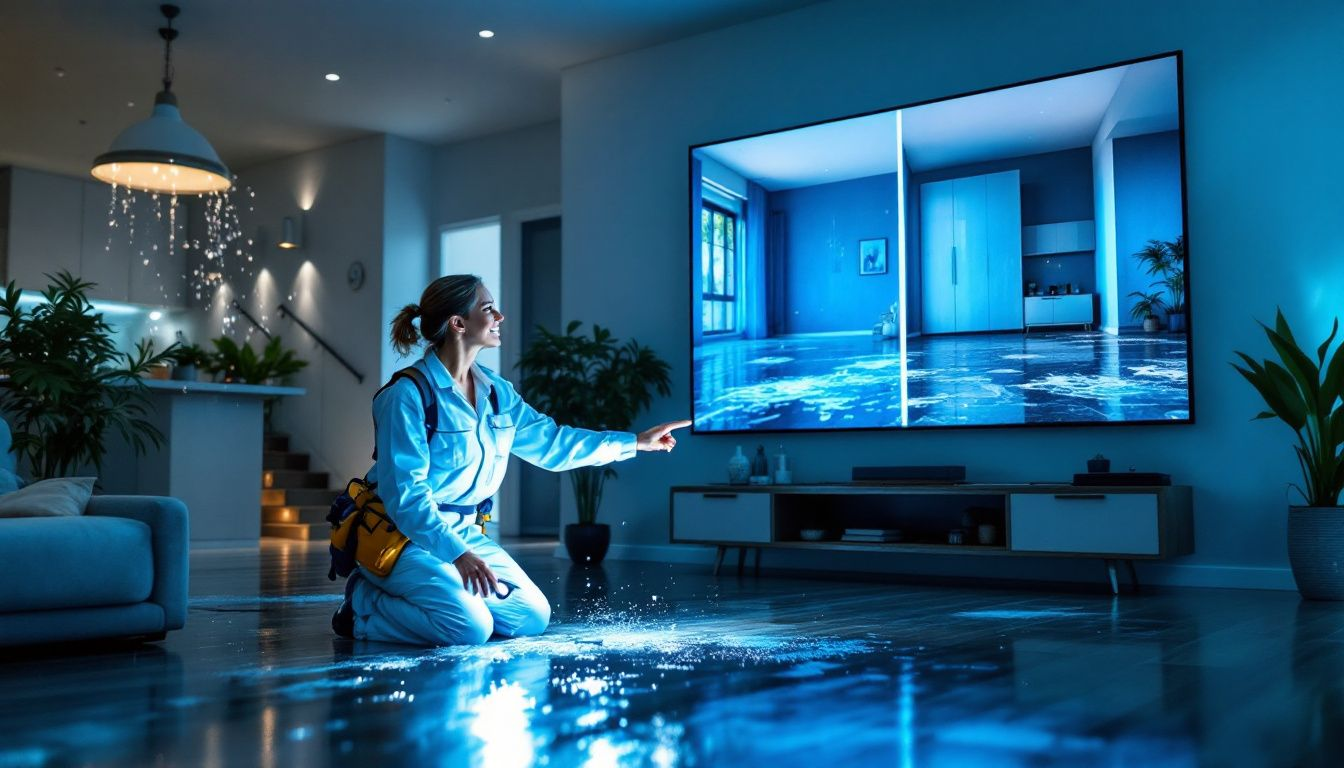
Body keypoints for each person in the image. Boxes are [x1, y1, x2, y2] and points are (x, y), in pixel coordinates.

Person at [332, 274, 690, 646]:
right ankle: (362, 606)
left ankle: (439, 600)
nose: (500, 316)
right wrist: (459, 557)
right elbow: (406, 499)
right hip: (403, 536)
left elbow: (554, 445)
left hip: (465, 532)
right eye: (488, 309)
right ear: (458, 324)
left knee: (531, 616)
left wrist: (635, 442)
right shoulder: (406, 395)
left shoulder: (496, 392)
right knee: (470, 628)